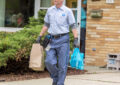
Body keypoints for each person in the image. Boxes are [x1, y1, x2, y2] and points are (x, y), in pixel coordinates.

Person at [36, 0, 78, 85]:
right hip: (51, 40)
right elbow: (46, 24)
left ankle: (60, 83)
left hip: (63, 40)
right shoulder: (50, 10)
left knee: (62, 65)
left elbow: (73, 26)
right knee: (48, 61)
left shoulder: (67, 11)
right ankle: (56, 78)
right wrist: (40, 35)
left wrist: (76, 38)